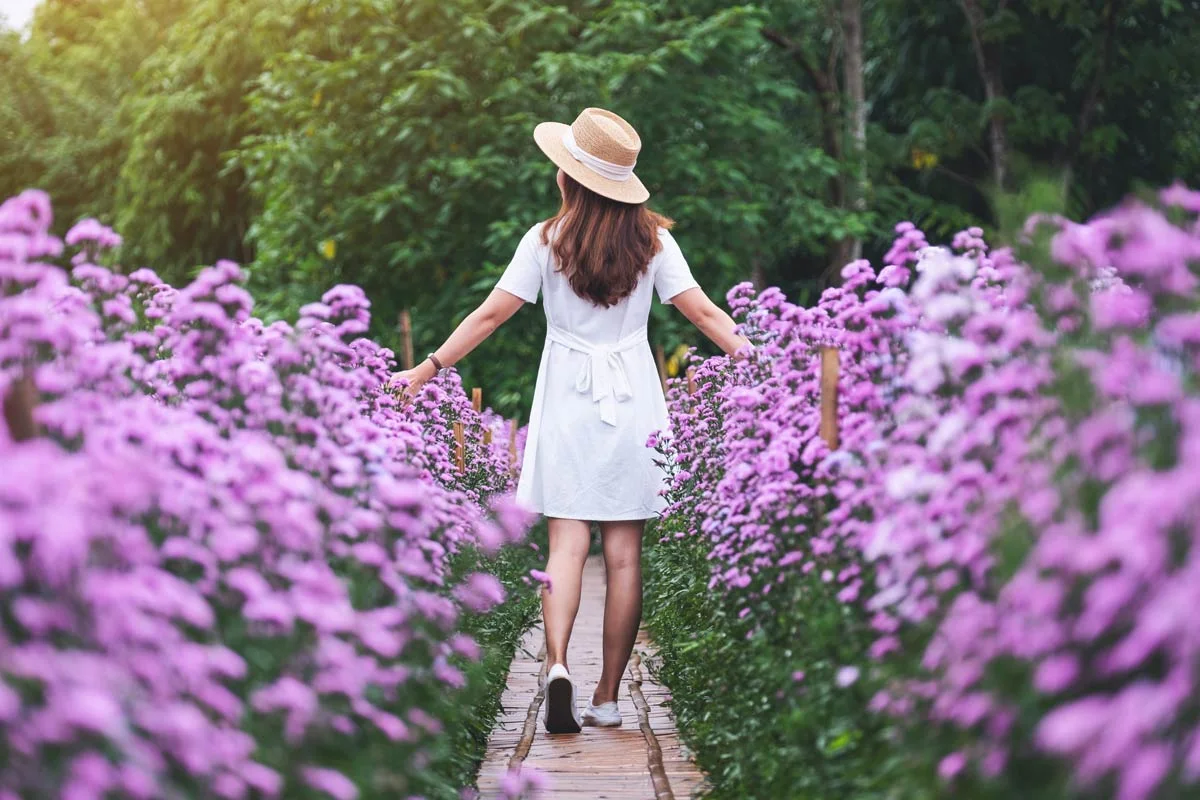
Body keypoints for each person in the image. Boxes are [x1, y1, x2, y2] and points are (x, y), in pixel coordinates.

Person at [393, 108, 748, 733]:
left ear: (569, 178)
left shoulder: (544, 240)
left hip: (565, 396)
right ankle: (608, 697)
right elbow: (705, 315)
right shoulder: (656, 243)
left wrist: (425, 369)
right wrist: (768, 364)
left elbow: (490, 316)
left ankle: (557, 664)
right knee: (624, 555)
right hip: (632, 396)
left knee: (566, 541)